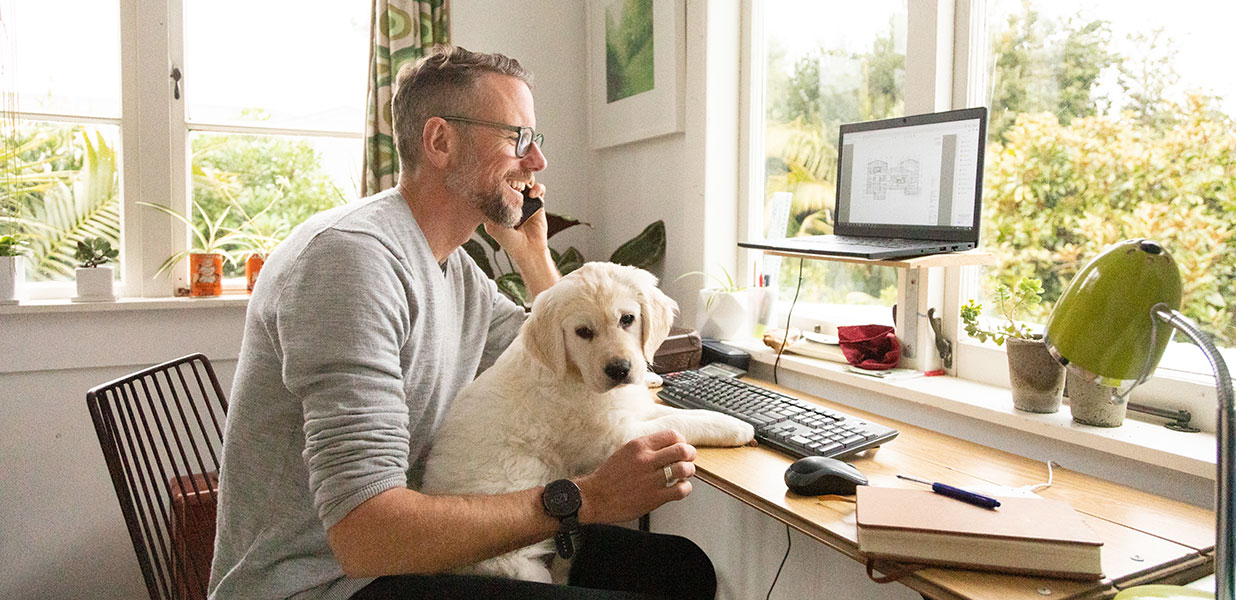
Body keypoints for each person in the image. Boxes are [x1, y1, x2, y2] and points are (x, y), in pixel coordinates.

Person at [208, 45, 718, 600]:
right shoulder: (351, 260)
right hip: (331, 581)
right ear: (441, 142)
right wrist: (585, 499)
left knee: (681, 571)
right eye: (516, 139)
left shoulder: (452, 267)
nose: (537, 162)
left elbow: (556, 361)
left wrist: (531, 257)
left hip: (407, 546)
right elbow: (366, 536)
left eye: (535, 141)